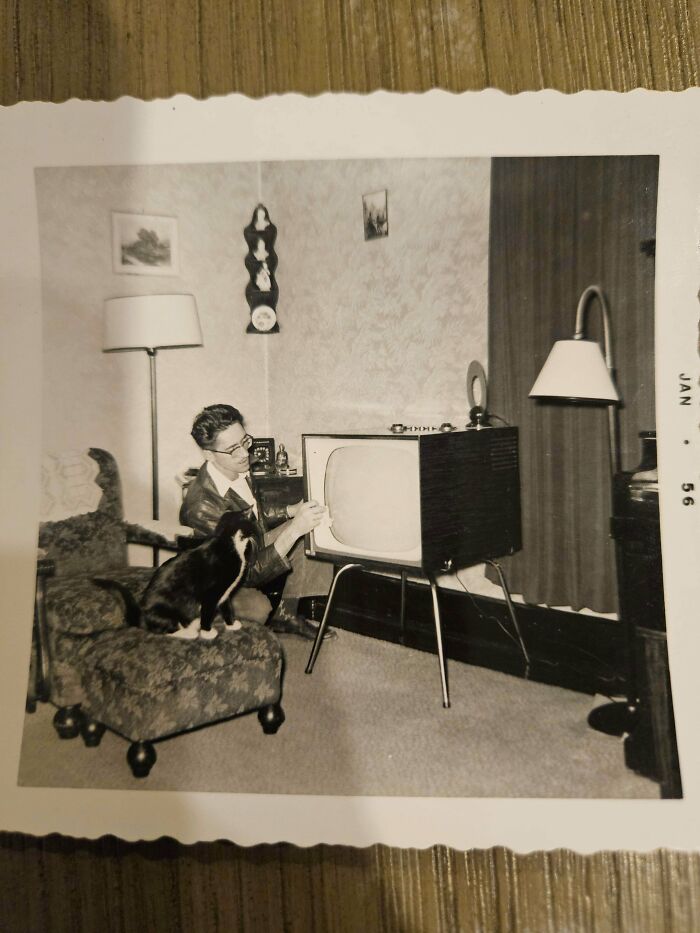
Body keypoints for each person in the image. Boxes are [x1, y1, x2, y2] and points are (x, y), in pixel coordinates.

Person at [180, 404, 335, 641]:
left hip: (246, 548)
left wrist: (290, 511)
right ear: (209, 454)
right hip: (219, 582)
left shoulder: (235, 468)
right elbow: (247, 574)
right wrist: (292, 530)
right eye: (233, 449)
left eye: (245, 442)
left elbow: (254, 513)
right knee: (258, 608)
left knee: (314, 526)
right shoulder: (202, 506)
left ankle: (285, 614)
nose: (244, 454)